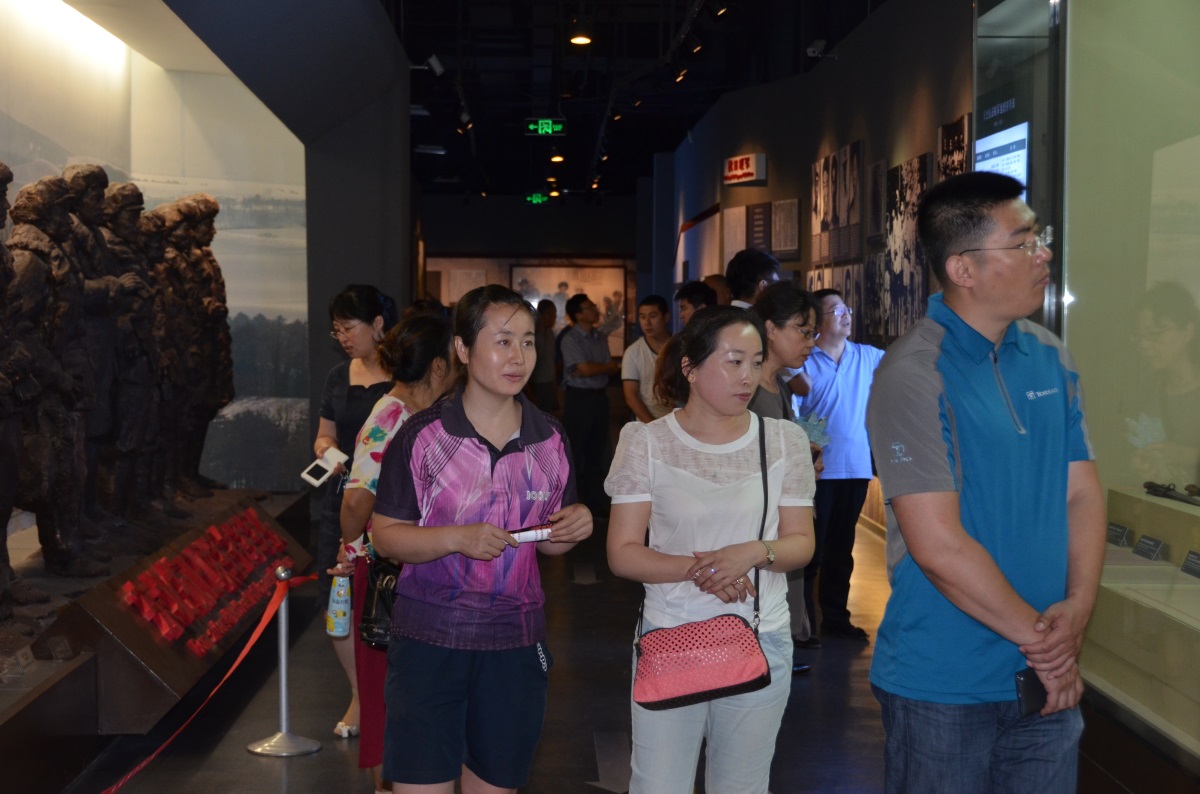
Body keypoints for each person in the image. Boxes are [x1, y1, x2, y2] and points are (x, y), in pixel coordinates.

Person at [865, 171, 1104, 792]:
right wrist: (1048, 647)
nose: (1042, 255)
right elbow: (938, 546)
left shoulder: (1050, 355)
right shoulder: (914, 373)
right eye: (1023, 243)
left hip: (1046, 676)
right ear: (963, 269)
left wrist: (1077, 610)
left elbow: (1081, 493)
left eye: (1039, 239)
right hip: (944, 686)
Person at [370, 284, 593, 794]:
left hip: (514, 644)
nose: (519, 357)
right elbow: (386, 536)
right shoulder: (423, 435)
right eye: (503, 341)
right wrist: (456, 538)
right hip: (429, 641)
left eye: (528, 342)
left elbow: (548, 540)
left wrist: (574, 526)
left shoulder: (549, 437)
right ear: (463, 349)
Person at [606, 305, 816, 794]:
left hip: (761, 635)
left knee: (742, 785)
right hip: (672, 634)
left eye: (756, 362)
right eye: (733, 361)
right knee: (657, 785)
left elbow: (801, 542)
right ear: (691, 368)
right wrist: (706, 569)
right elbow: (623, 552)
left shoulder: (783, 441)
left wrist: (753, 552)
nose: (748, 377)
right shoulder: (647, 443)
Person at [333, 312, 454, 794]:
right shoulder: (392, 415)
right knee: (389, 695)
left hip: (418, 570)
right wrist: (352, 547)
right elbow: (356, 501)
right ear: (439, 366)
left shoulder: (421, 415)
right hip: (389, 574)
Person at [313, 284, 398, 740]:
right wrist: (329, 454)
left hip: (393, 504)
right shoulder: (337, 375)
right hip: (343, 500)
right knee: (340, 600)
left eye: (349, 328)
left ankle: (389, 693)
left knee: (387, 600)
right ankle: (359, 693)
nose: (343, 337)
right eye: (337, 330)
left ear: (378, 324)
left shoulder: (405, 372)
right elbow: (324, 436)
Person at [794, 288, 885, 647]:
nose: (846, 314)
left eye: (847, 308)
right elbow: (795, 414)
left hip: (857, 469)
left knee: (841, 550)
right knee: (812, 552)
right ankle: (803, 625)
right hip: (819, 471)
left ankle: (836, 618)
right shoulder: (804, 361)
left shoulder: (868, 356)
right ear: (818, 321)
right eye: (836, 310)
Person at [749, 283, 822, 659]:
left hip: (781, 522)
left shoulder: (778, 385)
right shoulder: (745, 388)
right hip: (754, 527)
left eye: (814, 334)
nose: (810, 343)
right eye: (802, 331)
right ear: (770, 328)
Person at [560, 292, 621, 516]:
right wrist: (601, 367)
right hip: (579, 398)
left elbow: (607, 367)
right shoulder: (570, 339)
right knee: (576, 450)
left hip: (600, 398)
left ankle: (596, 503)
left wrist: (597, 368)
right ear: (578, 315)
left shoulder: (600, 336)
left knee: (598, 450)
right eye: (590, 307)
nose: (595, 309)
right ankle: (572, 503)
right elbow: (584, 369)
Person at [622, 294, 672, 423]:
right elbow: (631, 396)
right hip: (647, 423)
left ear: (666, 317)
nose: (647, 323)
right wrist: (653, 426)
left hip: (680, 420)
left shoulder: (680, 346)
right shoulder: (633, 352)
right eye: (642, 317)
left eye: (653, 316)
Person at [528, 298, 559, 412]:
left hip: (549, 384)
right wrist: (530, 393)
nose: (555, 317)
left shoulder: (550, 334)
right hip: (534, 385)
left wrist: (555, 389)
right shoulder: (532, 334)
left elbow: (552, 361)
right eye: (553, 314)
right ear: (544, 315)